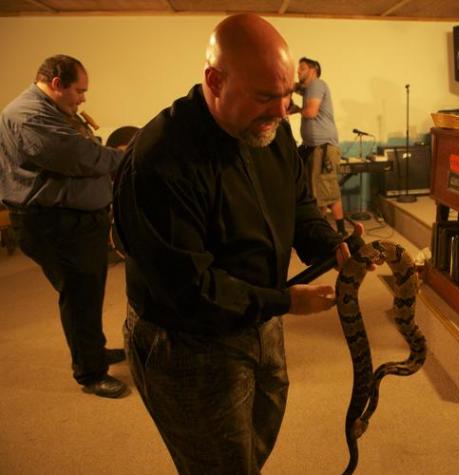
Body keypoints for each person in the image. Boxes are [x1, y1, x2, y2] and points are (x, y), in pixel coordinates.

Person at [113, 13, 367, 474]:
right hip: (187, 342)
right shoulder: (158, 161)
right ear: (214, 80)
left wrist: (332, 245)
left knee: (250, 454)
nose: (281, 110)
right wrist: (286, 302)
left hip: (259, 317)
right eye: (266, 96)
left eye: (288, 93)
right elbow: (190, 291)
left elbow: (299, 205)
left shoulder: (272, 132)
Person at [0, 55, 127, 398]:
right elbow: (83, 157)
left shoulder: (52, 111)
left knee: (88, 292)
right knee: (80, 296)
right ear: (57, 84)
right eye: (79, 90)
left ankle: (94, 351)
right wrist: (131, 156)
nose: (83, 98)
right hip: (55, 223)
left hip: (76, 222)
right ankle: (90, 373)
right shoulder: (28, 116)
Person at [289, 57, 347, 236]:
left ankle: (339, 232)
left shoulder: (317, 84)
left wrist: (296, 109)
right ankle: (322, 229)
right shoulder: (309, 89)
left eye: (302, 68)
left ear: (313, 70)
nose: (298, 71)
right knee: (317, 190)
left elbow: (311, 112)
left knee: (327, 190)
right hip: (312, 146)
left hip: (323, 147)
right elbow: (294, 87)